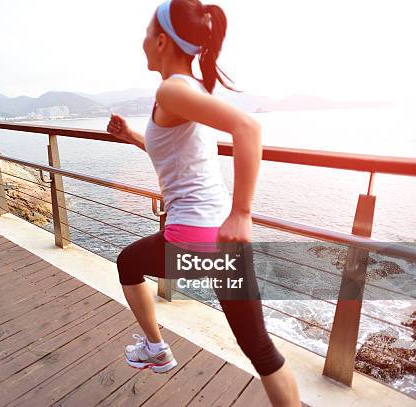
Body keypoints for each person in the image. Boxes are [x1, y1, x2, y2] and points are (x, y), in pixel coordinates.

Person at [105, 1, 300, 406]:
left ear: (160, 41)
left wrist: (242, 213)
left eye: (146, 35)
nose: (142, 42)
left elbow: (248, 127)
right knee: (260, 349)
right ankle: (155, 349)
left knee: (128, 263)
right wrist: (133, 138)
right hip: (218, 240)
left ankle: (156, 349)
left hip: (193, 239)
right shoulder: (187, 91)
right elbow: (180, 159)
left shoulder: (172, 89)